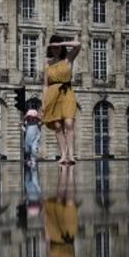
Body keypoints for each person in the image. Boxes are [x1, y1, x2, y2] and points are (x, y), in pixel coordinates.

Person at [42, 35, 81, 165]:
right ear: (51, 49)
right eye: (53, 48)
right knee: (58, 126)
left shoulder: (68, 59)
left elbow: (78, 44)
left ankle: (71, 154)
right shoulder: (48, 63)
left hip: (67, 93)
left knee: (69, 123)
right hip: (52, 94)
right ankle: (63, 155)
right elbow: (45, 85)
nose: (56, 50)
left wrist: (61, 42)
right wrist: (43, 102)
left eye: (58, 47)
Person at [44, 164, 84, 257]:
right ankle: (70, 174)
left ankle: (65, 171)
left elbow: (47, 241)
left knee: (59, 198)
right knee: (70, 202)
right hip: (69, 234)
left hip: (54, 232)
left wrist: (45, 220)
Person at [22, 109, 43, 215]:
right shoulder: (28, 123)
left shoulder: (36, 124)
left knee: (34, 148)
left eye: (32, 117)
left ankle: (33, 159)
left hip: (34, 139)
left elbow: (39, 130)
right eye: (30, 117)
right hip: (27, 140)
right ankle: (30, 158)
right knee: (27, 149)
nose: (31, 119)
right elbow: (25, 130)